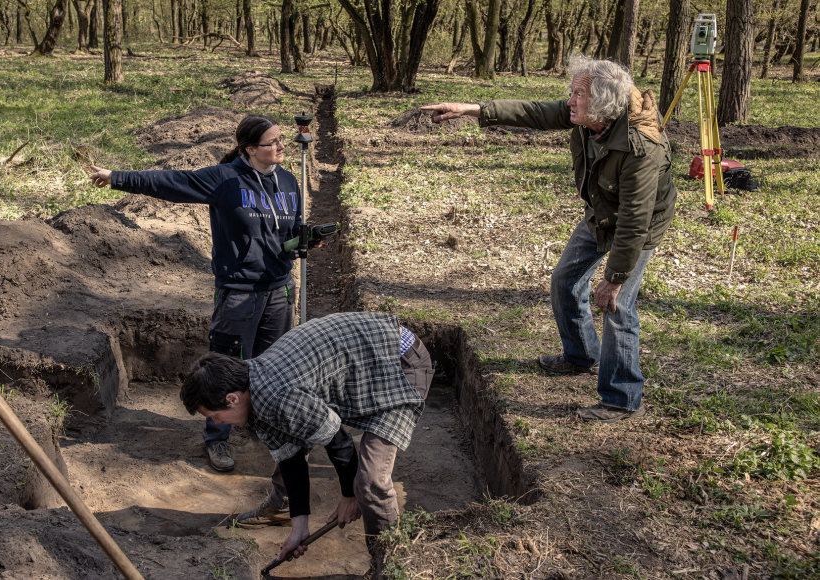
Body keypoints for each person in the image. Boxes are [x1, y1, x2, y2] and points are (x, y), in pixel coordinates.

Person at [421, 54, 676, 422]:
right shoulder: (588, 118)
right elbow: (534, 112)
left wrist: (614, 279)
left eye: (578, 94)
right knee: (565, 280)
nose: (570, 101)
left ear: (602, 102)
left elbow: (635, 221)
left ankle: (621, 398)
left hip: (639, 226)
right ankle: (580, 355)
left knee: (616, 306)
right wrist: (471, 109)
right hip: (601, 213)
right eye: (571, 93)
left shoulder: (641, 148)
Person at [89, 115, 306, 471]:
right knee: (226, 371)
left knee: (274, 366)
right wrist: (117, 177)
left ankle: (266, 427)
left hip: (279, 289)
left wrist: (302, 242)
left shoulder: (289, 180)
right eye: (273, 142)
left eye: (282, 139)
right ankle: (217, 439)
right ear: (250, 149)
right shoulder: (225, 179)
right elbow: (172, 182)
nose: (282, 147)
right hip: (239, 292)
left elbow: (292, 227)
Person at [179, 311, 435, 570]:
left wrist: (349, 495)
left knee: (370, 483)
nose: (219, 424)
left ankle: (391, 567)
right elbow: (291, 454)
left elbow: (338, 439)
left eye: (215, 416)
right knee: (359, 481)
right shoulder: (253, 387)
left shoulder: (275, 395)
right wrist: (299, 526)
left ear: (232, 399)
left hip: (397, 363)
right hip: (367, 365)